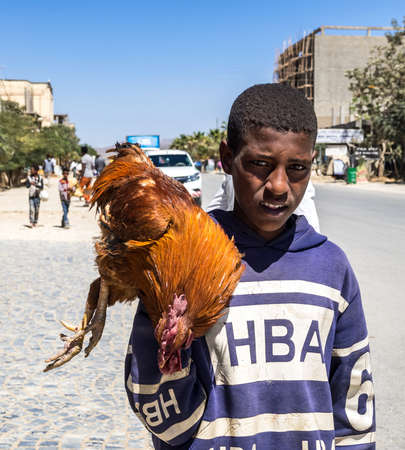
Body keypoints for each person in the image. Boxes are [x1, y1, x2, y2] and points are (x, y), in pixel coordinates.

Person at [125, 84, 375, 449]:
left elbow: (353, 402)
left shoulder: (331, 267)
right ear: (227, 157)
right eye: (259, 164)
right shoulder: (185, 257)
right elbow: (153, 400)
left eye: (297, 169)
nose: (278, 186)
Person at [207, 173, 320, 232]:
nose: (277, 187)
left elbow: (309, 221)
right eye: (259, 163)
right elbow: (217, 208)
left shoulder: (295, 179)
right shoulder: (232, 172)